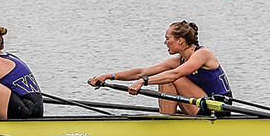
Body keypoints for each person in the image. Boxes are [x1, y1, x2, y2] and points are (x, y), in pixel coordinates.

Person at [86, 20, 230, 116]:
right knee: (166, 77)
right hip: (202, 106)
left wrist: (144, 82)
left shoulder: (203, 54)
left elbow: (175, 74)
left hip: (218, 107)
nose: (165, 42)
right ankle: (167, 119)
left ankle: (166, 123)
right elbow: (142, 72)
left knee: (170, 78)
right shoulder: (178, 60)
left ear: (180, 40)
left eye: (168, 38)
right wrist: (110, 76)